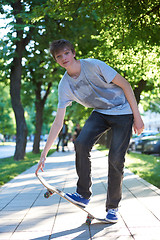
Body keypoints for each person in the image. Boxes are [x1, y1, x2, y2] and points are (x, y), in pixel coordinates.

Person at [35, 39, 144, 223]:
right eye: (59, 56)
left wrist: (137, 116)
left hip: (124, 112)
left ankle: (113, 208)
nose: (64, 58)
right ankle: (83, 194)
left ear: (73, 52)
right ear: (56, 60)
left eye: (66, 53)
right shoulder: (64, 86)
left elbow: (125, 84)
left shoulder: (93, 65)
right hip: (100, 113)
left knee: (116, 158)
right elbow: (58, 123)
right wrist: (44, 154)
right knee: (81, 143)